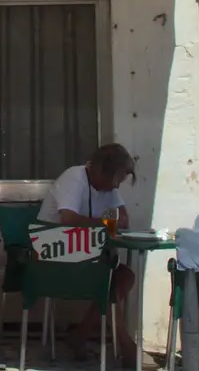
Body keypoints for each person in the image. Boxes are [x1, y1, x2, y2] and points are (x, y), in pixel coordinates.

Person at [38, 143, 141, 361]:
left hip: (85, 256)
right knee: (109, 279)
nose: (117, 187)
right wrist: (106, 223)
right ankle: (124, 343)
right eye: (116, 181)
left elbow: (122, 219)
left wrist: (112, 222)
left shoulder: (109, 189)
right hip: (53, 254)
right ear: (102, 171)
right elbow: (68, 219)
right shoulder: (74, 179)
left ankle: (81, 334)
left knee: (124, 277)